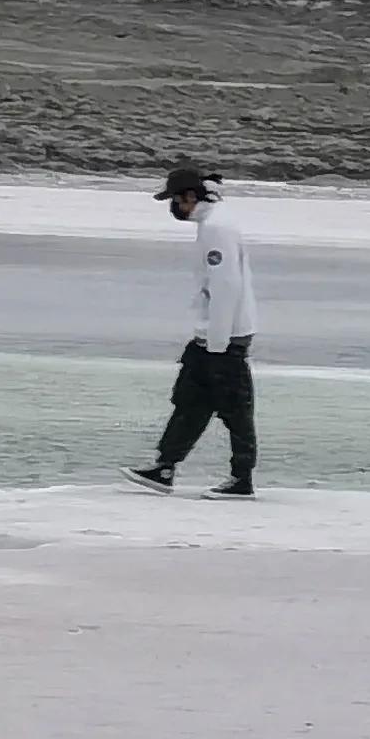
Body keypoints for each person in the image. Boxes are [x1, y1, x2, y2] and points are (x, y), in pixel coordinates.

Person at [132, 162, 258, 496]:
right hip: (210, 336)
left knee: (235, 408)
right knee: (190, 401)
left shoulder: (218, 228)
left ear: (190, 196)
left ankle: (241, 479)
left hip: (225, 337)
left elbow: (225, 286)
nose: (174, 208)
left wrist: (217, 343)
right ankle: (164, 467)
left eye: (175, 200)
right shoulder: (212, 225)